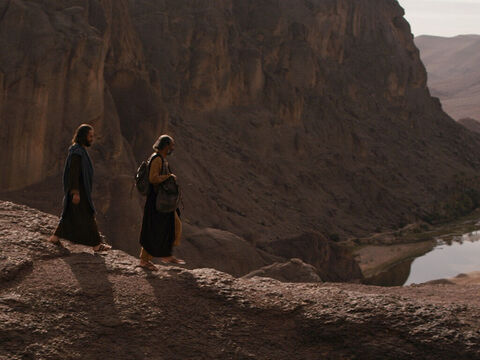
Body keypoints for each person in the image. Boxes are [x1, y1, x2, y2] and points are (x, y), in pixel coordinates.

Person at [49, 124, 111, 252]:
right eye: (90, 136)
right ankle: (96, 245)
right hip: (79, 191)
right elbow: (73, 172)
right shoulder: (77, 152)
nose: (92, 139)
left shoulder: (80, 150)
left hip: (81, 190)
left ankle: (55, 237)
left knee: (69, 214)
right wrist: (75, 192)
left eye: (92, 136)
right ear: (83, 136)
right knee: (88, 214)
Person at [139, 134, 184, 270]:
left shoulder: (162, 159)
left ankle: (166, 254)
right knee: (154, 229)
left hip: (163, 200)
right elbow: (153, 179)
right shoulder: (157, 159)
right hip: (156, 201)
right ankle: (144, 260)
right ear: (165, 146)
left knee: (171, 225)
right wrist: (168, 177)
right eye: (171, 145)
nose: (172, 148)